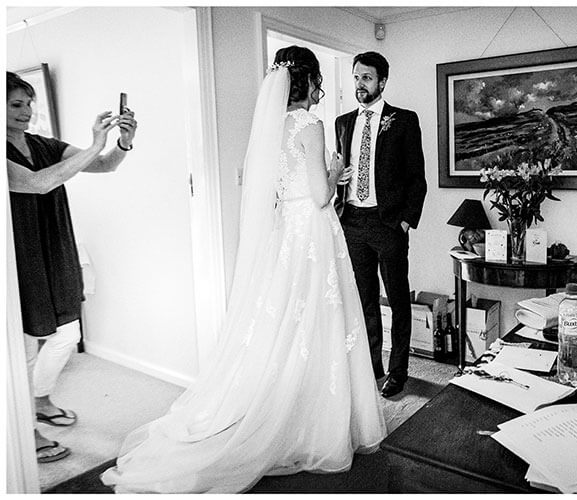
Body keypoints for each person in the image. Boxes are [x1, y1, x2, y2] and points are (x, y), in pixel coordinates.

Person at [101, 46, 387, 493]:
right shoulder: (309, 124)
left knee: (286, 326)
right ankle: (312, 423)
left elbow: (278, 187)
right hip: (311, 230)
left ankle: (280, 409)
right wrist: (335, 173)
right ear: (309, 81)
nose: (319, 91)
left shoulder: (272, 127)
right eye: (317, 82)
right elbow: (318, 196)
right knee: (318, 324)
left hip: (285, 232)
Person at [7, 71, 138, 464]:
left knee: (66, 331)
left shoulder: (43, 144)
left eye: (29, 103)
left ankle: (40, 398)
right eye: (16, 104)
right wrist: (93, 143)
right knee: (25, 347)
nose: (27, 111)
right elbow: (36, 183)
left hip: (55, 243)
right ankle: (23, 429)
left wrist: (121, 143)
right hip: (19, 252)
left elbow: (103, 166)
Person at [335, 51, 427, 398]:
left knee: (398, 299)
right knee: (364, 300)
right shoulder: (342, 122)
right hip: (353, 222)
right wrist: (340, 179)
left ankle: (398, 371)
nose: (360, 84)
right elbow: (343, 167)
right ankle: (371, 367)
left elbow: (417, 179)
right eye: (357, 77)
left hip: (387, 224)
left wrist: (404, 222)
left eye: (367, 78)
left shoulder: (403, 120)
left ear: (382, 82)